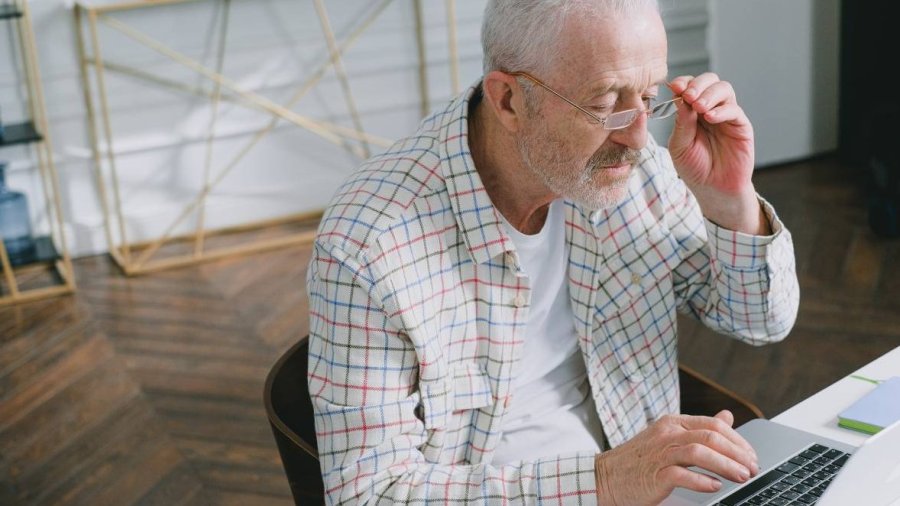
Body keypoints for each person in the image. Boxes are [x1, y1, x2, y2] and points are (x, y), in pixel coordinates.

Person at [306, 0, 799, 504]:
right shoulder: (370, 242)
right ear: (509, 101)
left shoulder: (638, 169)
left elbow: (760, 320)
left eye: (650, 97)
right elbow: (367, 493)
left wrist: (730, 202)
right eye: (607, 104)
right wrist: (604, 481)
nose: (637, 136)